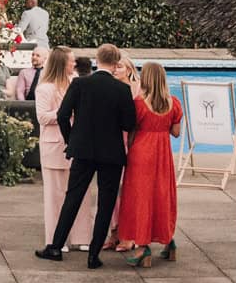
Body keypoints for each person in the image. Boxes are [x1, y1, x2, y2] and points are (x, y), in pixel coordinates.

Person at [38, 43, 136, 269]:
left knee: (72, 198)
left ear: (97, 59)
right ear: (115, 62)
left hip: (82, 150)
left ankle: (55, 247)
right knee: (105, 203)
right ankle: (94, 255)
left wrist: (71, 139)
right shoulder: (122, 89)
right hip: (111, 153)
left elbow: (63, 115)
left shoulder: (80, 84)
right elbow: (128, 123)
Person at [114, 62, 183, 266]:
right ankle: (168, 242)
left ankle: (143, 248)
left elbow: (132, 131)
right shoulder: (174, 103)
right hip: (163, 156)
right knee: (162, 196)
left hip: (141, 154)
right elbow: (176, 133)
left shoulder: (139, 104)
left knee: (140, 199)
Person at [33, 47, 94, 253]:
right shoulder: (45, 88)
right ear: (61, 63)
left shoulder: (76, 81)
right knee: (55, 195)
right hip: (53, 146)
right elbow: (42, 117)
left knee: (81, 194)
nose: (74, 64)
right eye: (70, 61)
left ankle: (82, 236)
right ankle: (55, 239)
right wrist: (65, 112)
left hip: (77, 144)